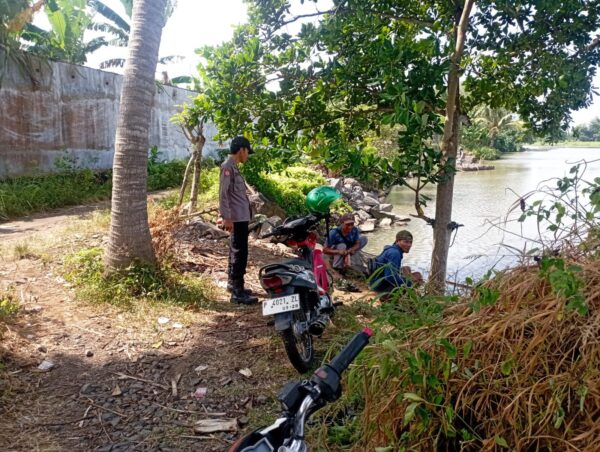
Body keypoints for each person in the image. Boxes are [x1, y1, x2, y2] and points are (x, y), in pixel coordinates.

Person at [219, 136, 259, 305]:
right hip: (236, 218)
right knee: (239, 253)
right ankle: (237, 292)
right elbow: (223, 193)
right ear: (241, 150)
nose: (248, 155)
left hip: (240, 217)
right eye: (247, 152)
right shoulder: (227, 167)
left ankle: (232, 284)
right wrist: (226, 217)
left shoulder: (234, 167)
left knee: (236, 250)